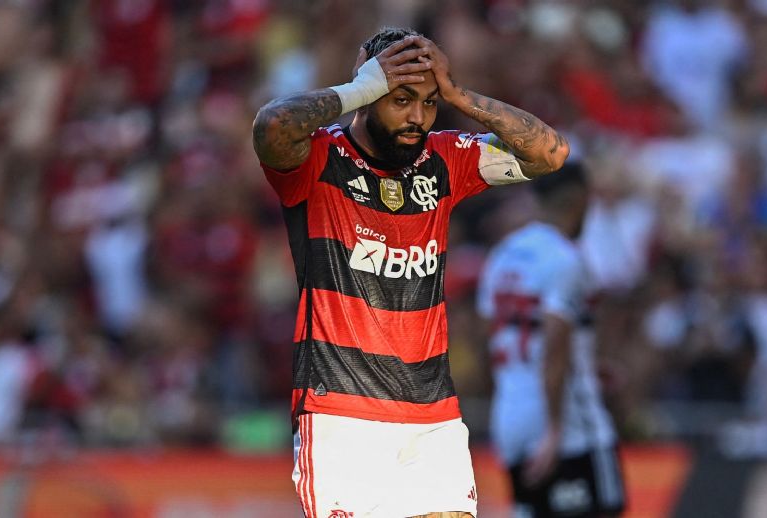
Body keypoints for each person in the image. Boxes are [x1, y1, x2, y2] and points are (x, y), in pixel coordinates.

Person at [252, 27, 569, 518]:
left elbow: (551, 154)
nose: (417, 117)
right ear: (370, 91)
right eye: (400, 99)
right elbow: (271, 127)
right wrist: (358, 89)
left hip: (432, 419)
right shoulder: (319, 158)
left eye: (429, 102)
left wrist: (461, 95)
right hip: (342, 417)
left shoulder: (444, 158)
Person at [477, 166, 626, 518]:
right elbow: (554, 342)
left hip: (511, 418)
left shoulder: (503, 255)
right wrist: (555, 429)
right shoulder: (566, 259)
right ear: (578, 202)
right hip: (569, 427)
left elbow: (492, 331)